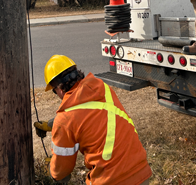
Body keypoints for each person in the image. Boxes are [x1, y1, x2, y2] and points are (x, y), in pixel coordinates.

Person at [34, 55, 152, 185]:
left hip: (110, 180)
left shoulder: (65, 120)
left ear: (60, 89)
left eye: (54, 91)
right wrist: (52, 124)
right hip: (140, 173)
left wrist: (50, 168)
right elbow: (87, 111)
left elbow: (61, 172)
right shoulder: (102, 88)